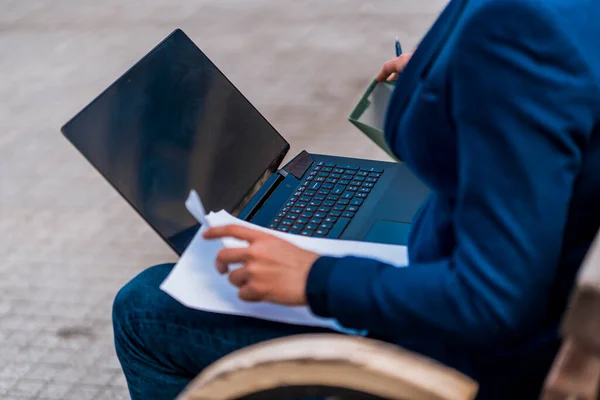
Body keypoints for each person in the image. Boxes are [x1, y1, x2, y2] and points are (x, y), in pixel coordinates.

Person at [112, 0, 600, 398]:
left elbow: (492, 300)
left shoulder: (523, 26)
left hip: (465, 356)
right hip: (497, 256)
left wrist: (314, 277)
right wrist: (459, 82)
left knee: (142, 308)